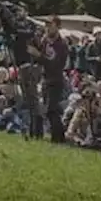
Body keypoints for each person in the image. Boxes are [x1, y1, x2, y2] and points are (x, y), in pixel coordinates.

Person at [30, 15, 69, 143]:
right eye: (46, 25)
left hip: (56, 80)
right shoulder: (45, 41)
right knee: (50, 111)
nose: (47, 28)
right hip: (46, 79)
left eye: (50, 25)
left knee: (51, 110)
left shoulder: (61, 45)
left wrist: (38, 55)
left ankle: (58, 139)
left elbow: (54, 64)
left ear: (57, 27)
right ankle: (59, 137)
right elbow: (38, 56)